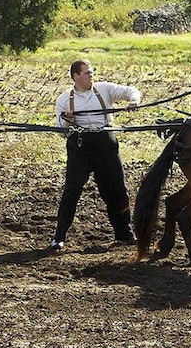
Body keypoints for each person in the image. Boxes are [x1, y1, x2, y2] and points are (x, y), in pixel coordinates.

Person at [49, 59, 141, 252]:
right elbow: (61, 131)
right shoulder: (64, 99)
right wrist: (69, 120)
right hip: (80, 147)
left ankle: (124, 234)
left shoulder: (104, 89)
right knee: (72, 191)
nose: (91, 75)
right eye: (87, 73)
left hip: (105, 144)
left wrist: (134, 101)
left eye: (91, 72)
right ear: (76, 76)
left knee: (118, 190)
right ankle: (59, 237)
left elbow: (131, 91)